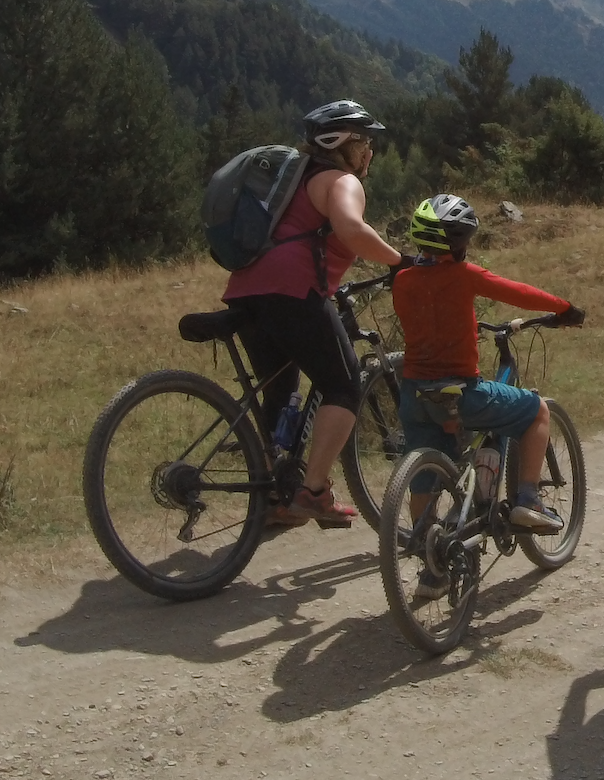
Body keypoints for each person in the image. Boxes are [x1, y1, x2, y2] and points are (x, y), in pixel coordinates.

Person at [221, 99, 406, 528]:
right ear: (345, 144)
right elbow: (351, 228)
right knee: (343, 386)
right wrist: (401, 262)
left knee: (280, 390)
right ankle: (314, 490)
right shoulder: (339, 180)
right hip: (294, 292)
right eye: (366, 141)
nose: (371, 152)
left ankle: (273, 496)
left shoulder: (288, 184)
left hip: (246, 290)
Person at [391, 195, 585, 599]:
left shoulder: (403, 280)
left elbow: (429, 316)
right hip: (463, 390)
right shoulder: (464, 276)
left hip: (415, 394)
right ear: (461, 242)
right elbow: (516, 292)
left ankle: (432, 569)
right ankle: (527, 500)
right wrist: (564, 307)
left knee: (424, 476)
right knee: (535, 411)